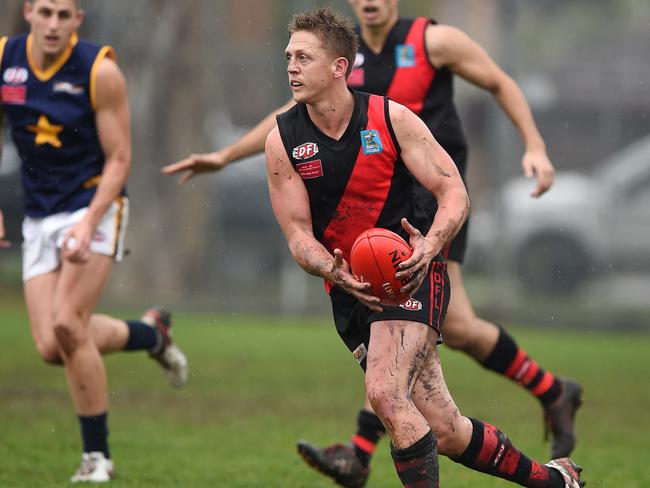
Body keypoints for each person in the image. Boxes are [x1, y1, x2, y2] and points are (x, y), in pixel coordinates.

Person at [163, 1, 582, 486]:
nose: (291, 68)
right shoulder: (283, 142)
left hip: (409, 269)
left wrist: (430, 248)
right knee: (445, 430)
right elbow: (298, 234)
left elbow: (454, 192)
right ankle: (555, 481)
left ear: (340, 67)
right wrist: (329, 268)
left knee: (384, 391)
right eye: (288, 57)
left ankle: (359, 454)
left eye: (303, 58)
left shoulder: (392, 116)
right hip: (349, 288)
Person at [0, 0, 188, 482]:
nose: (54, 24)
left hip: (94, 204)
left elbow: (121, 159)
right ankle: (152, 334)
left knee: (68, 324)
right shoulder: (6, 60)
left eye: (65, 15)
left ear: (78, 20)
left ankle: (97, 458)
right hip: (39, 214)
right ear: (28, 13)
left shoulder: (99, 72)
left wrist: (88, 224)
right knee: (50, 345)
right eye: (46, 12)